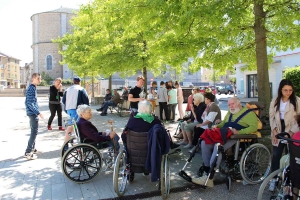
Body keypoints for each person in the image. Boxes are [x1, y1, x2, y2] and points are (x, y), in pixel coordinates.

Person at [192, 97, 258, 187]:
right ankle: (207, 171)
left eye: (233, 104)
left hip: (236, 137)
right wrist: (217, 125)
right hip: (224, 134)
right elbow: (223, 124)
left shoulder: (249, 113)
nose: (231, 106)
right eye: (229, 105)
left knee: (218, 147)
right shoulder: (230, 112)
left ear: (239, 103)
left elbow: (254, 127)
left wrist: (239, 132)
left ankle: (209, 177)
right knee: (205, 143)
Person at [268, 79, 300, 191]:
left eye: (290, 90)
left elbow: (299, 119)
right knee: (276, 155)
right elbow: (271, 117)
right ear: (280, 90)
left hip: (292, 130)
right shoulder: (275, 101)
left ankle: (290, 181)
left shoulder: (297, 101)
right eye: (285, 90)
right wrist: (274, 130)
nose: (288, 92)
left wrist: (291, 132)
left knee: (291, 156)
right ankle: (274, 179)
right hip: (279, 129)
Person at [24, 73, 44, 160]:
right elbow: (29, 103)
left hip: (33, 113)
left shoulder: (33, 87)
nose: (40, 80)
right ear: (33, 78)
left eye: (40, 78)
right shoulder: (31, 88)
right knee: (34, 132)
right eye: (38, 78)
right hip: (32, 113)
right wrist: (38, 112)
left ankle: (32, 148)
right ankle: (28, 152)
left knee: (34, 131)